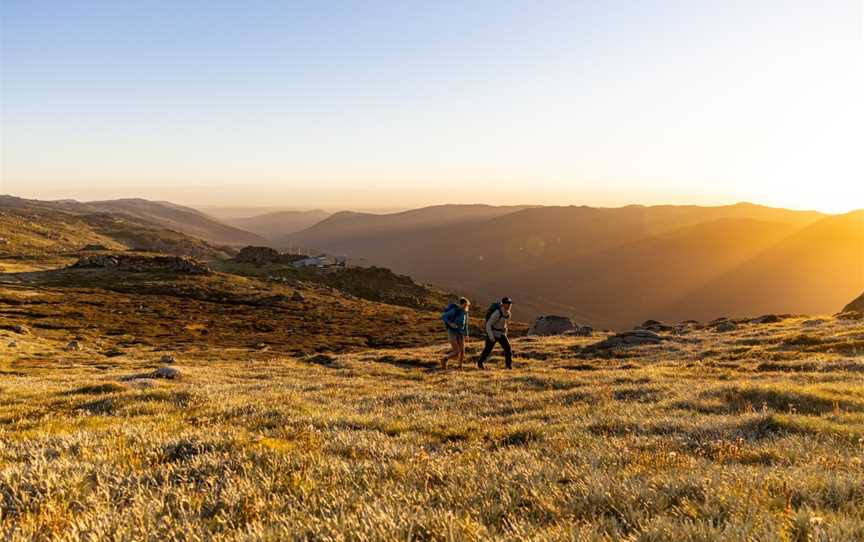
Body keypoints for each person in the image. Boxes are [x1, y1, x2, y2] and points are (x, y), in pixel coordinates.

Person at [478, 297, 513, 369]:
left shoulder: (507, 313)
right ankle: (480, 363)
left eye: (510, 304)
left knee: (508, 349)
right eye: (507, 304)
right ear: (503, 304)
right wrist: (491, 337)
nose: (509, 305)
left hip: (501, 334)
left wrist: (505, 332)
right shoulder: (497, 312)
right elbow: (488, 324)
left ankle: (508, 366)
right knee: (487, 350)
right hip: (493, 334)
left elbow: (504, 324)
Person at [441, 297, 470, 369]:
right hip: (452, 332)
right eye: (465, 305)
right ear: (461, 304)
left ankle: (460, 366)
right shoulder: (455, 310)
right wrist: (450, 323)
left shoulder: (465, 313)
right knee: (456, 351)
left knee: (463, 351)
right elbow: (444, 316)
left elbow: (466, 324)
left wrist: (466, 334)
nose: (466, 306)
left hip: (460, 333)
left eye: (467, 305)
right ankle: (444, 359)